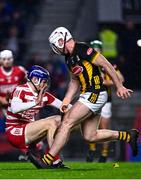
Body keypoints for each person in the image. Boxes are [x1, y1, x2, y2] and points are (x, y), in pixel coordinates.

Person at [34, 27, 138, 168]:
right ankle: (127, 136)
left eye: (54, 44)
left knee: (67, 122)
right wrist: (66, 100)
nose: (54, 48)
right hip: (89, 94)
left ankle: (47, 160)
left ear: (60, 40)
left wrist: (119, 85)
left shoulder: (82, 49)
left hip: (95, 92)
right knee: (90, 136)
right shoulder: (68, 58)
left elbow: (105, 64)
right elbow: (74, 81)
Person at [6, 65, 69, 168]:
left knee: (59, 120)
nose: (46, 85)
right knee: (51, 122)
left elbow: (65, 107)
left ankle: (39, 152)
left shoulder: (44, 95)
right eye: (44, 81)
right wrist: (35, 102)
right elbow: (15, 108)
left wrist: (87, 109)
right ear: (35, 79)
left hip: (29, 132)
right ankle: (54, 160)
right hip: (14, 132)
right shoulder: (20, 89)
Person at [86, 40, 124, 163]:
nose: (95, 51)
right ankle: (91, 151)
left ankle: (104, 153)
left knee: (104, 127)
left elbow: (121, 79)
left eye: (97, 49)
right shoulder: (88, 64)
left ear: (101, 50)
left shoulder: (108, 64)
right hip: (91, 98)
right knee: (90, 126)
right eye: (93, 49)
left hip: (106, 100)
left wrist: (106, 82)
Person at [0, 50, 26, 132]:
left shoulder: (20, 70)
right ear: (0, 60)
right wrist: (0, 98)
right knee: (3, 127)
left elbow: (30, 83)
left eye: (9, 59)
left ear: (12, 59)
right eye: (4, 59)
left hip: (20, 104)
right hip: (3, 106)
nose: (7, 61)